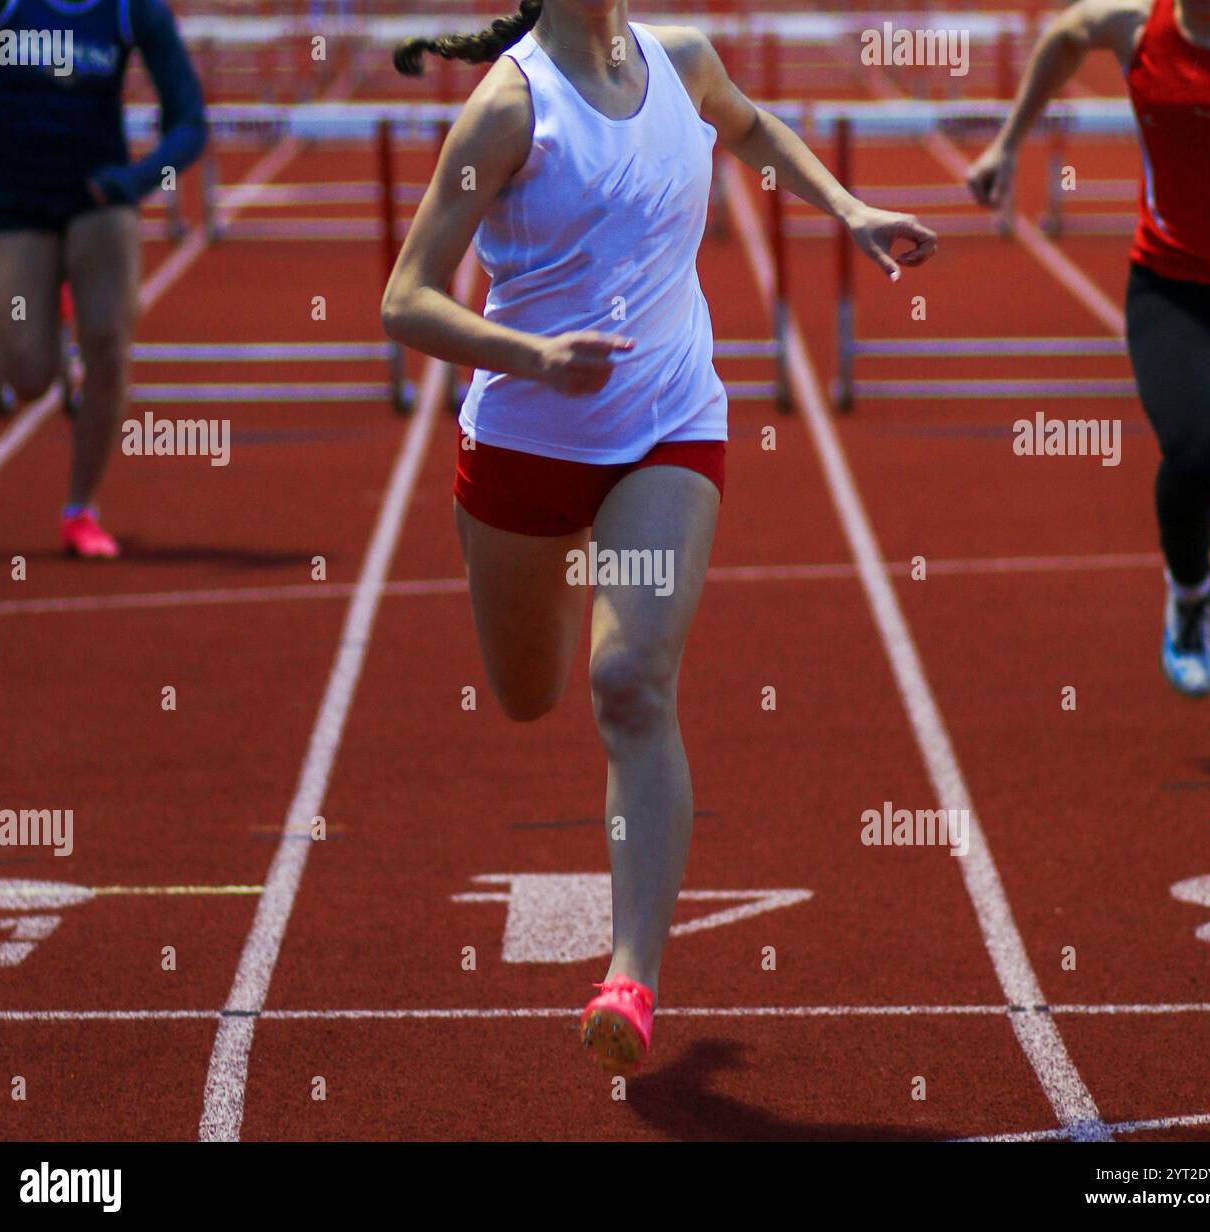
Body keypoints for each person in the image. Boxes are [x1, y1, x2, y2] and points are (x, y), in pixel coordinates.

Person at [382, 0, 936, 1074]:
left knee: (631, 682)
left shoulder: (681, 60)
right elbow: (406, 299)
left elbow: (754, 127)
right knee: (528, 692)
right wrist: (533, 355)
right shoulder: (506, 109)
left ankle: (629, 977)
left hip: (667, 428)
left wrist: (850, 207)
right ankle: (557, 574)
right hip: (526, 446)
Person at [968, 0, 1210, 731]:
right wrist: (1009, 144)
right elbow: (1063, 38)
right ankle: (1190, 595)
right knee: (1202, 450)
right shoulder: (1135, 25)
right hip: (1176, 288)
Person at [0, 0, 208, 558]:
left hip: (98, 196)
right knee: (28, 376)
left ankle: (80, 507)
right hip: (16, 201)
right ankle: (53, 304)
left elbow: (190, 123)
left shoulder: (132, 9)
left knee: (107, 342)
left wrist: (134, 180)